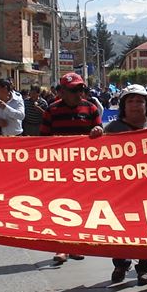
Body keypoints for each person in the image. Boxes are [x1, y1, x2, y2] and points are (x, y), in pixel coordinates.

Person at [97, 85, 147, 285]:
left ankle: (144, 267)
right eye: (130, 101)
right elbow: (100, 157)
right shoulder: (112, 129)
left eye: (140, 101)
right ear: (123, 105)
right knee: (121, 229)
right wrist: (96, 137)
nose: (135, 105)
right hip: (121, 190)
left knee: (146, 228)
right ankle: (121, 264)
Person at [41, 72, 103, 265]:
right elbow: (42, 142)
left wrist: (98, 132)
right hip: (60, 169)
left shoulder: (91, 109)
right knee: (60, 207)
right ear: (62, 91)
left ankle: (75, 245)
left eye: (81, 89)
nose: (79, 93)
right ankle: (61, 247)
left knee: (80, 207)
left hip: (83, 170)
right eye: (74, 90)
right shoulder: (51, 111)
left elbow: (101, 136)